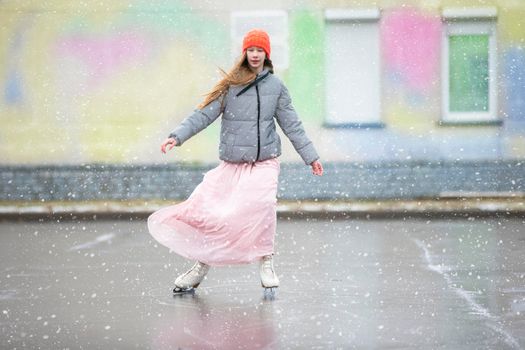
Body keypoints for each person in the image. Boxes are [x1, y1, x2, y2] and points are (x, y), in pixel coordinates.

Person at [147, 28, 323, 295]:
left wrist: (311, 157)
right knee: (212, 213)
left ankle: (266, 261)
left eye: (259, 50)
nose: (255, 55)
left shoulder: (276, 87)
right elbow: (203, 114)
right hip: (233, 163)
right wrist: (177, 136)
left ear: (267, 54)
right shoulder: (231, 85)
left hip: (264, 162)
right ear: (244, 53)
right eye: (250, 50)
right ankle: (201, 266)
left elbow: (292, 125)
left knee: (262, 206)